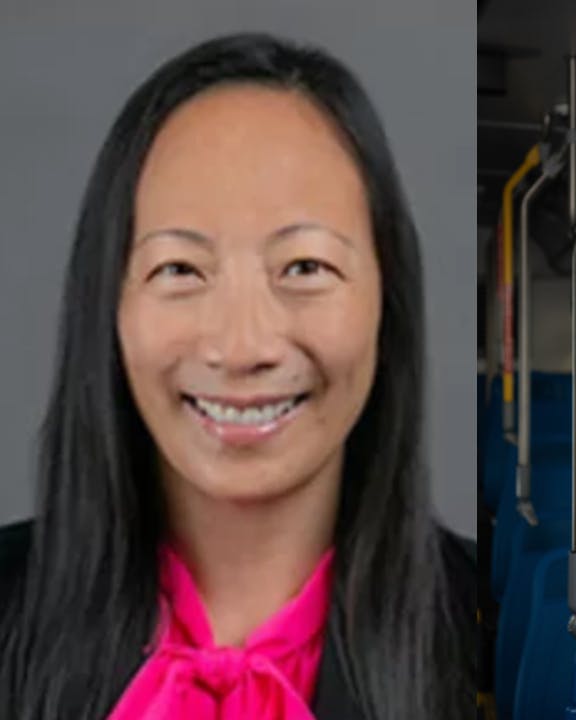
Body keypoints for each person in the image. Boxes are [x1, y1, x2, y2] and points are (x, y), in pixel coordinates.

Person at [0, 34, 472, 719]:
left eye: (305, 268)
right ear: (109, 302)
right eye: (180, 270)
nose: (242, 345)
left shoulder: (487, 630)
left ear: (386, 299)